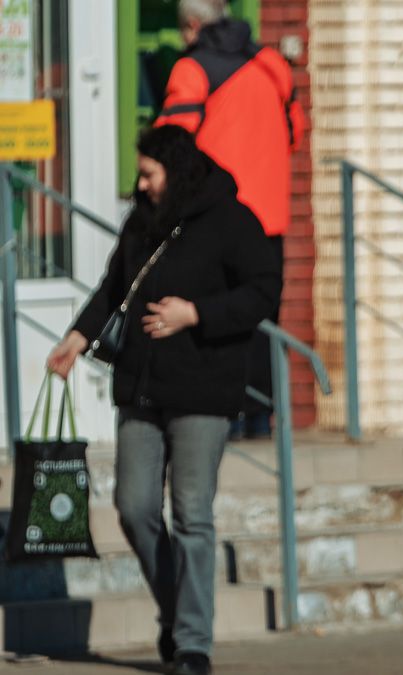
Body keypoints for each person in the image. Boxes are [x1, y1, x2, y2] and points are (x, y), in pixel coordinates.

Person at [47, 125, 282, 675]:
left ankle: (193, 643)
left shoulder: (231, 220)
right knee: (133, 507)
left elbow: (263, 292)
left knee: (192, 514)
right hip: (142, 385)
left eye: (150, 173)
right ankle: (179, 613)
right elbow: (113, 286)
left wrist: (195, 314)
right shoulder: (145, 221)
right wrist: (76, 339)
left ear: (176, 170)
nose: (142, 183)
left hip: (204, 388)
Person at [158, 0, 305, 439]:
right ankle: (259, 418)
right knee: (261, 317)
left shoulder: (191, 70)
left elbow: (171, 148)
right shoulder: (273, 64)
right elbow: (294, 133)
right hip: (269, 217)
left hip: (216, 221)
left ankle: (224, 420)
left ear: (192, 25)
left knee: (214, 318)